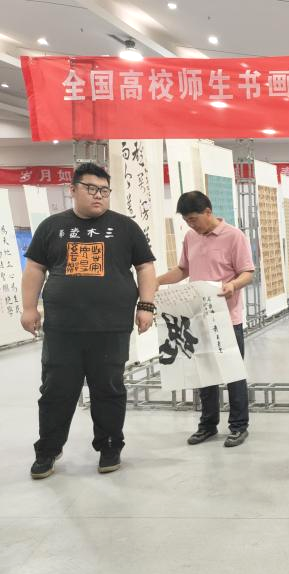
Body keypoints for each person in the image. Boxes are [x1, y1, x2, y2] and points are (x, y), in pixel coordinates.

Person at [23, 162, 157, 479]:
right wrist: (29, 308)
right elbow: (35, 269)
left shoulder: (125, 227)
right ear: (73, 189)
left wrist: (146, 305)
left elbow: (145, 267)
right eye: (91, 188)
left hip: (110, 327)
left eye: (104, 190)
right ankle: (48, 450)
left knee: (108, 388)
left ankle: (110, 446)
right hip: (62, 328)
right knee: (56, 390)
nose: (99, 195)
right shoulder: (52, 227)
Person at [157, 191, 255, 448]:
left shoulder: (234, 236)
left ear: (208, 212)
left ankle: (239, 426)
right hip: (198, 316)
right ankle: (208, 424)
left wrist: (233, 285)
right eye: (186, 221)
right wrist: (156, 281)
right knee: (204, 373)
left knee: (233, 374)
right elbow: (183, 270)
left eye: (193, 219)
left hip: (227, 318)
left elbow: (248, 273)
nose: (191, 225)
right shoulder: (191, 237)